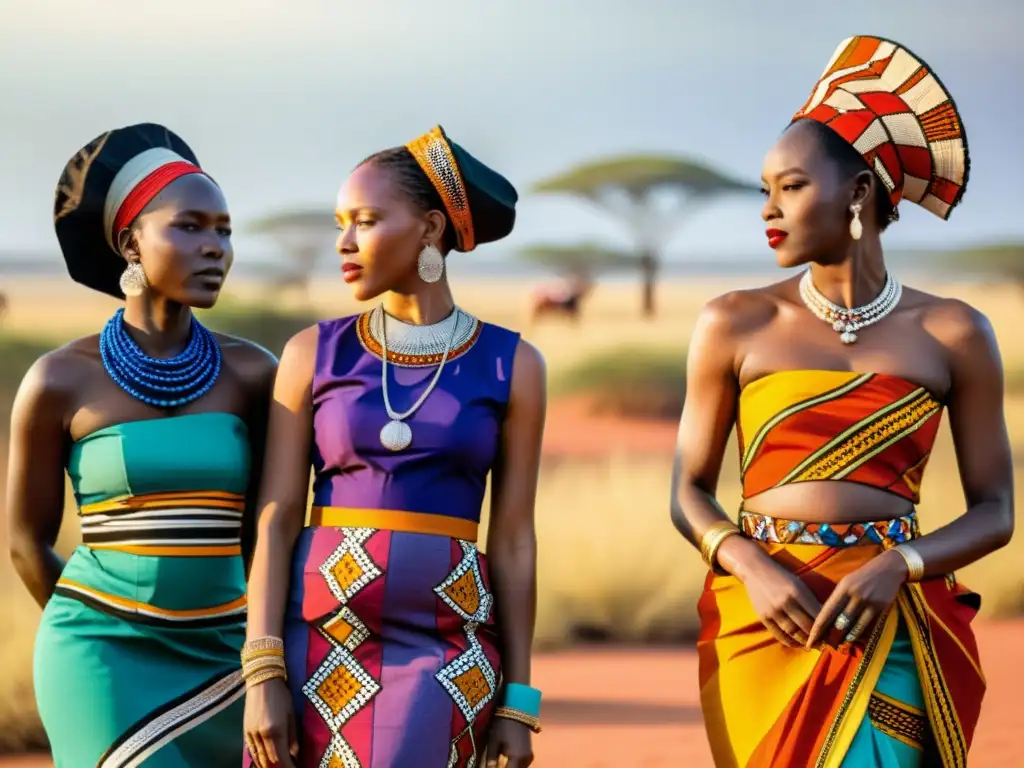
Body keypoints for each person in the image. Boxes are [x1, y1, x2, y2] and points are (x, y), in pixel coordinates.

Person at [670, 36, 1010, 767]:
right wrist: (750, 565)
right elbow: (688, 493)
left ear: (859, 192)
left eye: (790, 186)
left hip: (886, 624)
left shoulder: (953, 332)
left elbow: (997, 513)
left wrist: (902, 565)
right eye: (764, 189)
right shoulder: (732, 321)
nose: (769, 208)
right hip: (761, 625)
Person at [241, 125, 546, 768]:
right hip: (315, 635)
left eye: (366, 221)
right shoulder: (311, 354)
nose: (343, 242)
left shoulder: (512, 363)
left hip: (445, 642)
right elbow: (276, 516)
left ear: (431, 229)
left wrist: (519, 702)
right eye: (339, 223)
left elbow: (514, 537)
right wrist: (263, 667)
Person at [7, 123, 277, 766]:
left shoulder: (254, 375)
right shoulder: (58, 379)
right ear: (131, 243)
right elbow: (24, 542)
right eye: (191, 227)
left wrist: (261, 650)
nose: (216, 248)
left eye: (225, 230)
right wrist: (105, 617)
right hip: (101, 651)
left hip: (225, 655)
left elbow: (268, 534)